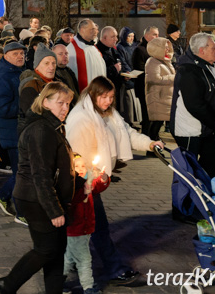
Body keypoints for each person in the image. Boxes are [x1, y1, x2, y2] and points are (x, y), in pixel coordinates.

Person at [65, 76, 162, 286]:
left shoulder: (107, 113)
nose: (108, 101)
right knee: (97, 226)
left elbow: (126, 132)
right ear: (93, 95)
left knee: (83, 226)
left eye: (111, 97)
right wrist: (88, 179)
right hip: (83, 182)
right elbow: (76, 154)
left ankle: (68, 263)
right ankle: (113, 268)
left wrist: (150, 143)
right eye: (104, 97)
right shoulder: (82, 118)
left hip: (95, 179)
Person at [0, 82, 74, 294]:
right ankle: (8, 284)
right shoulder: (41, 130)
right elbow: (40, 174)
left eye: (68, 103)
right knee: (46, 249)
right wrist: (54, 209)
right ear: (45, 102)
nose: (65, 108)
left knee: (56, 250)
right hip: (36, 200)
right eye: (60, 103)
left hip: (44, 198)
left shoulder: (52, 126)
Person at [170, 33, 215, 178]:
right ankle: (186, 201)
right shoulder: (188, 71)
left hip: (208, 128)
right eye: (214, 48)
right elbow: (195, 104)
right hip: (189, 131)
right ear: (201, 50)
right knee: (188, 174)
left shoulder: (211, 68)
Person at [0, 41, 28, 219]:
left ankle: (3, 195)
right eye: (15, 54)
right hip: (12, 134)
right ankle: (20, 212)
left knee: (23, 172)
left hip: (22, 132)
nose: (20, 56)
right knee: (22, 174)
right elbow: (1, 109)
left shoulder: (21, 73)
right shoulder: (3, 77)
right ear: (5, 56)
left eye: (22, 53)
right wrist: (26, 105)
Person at [64, 154, 109, 294]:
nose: (81, 168)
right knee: (84, 259)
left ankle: (55, 282)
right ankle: (88, 287)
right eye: (76, 166)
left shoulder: (87, 181)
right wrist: (85, 189)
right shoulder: (71, 185)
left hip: (85, 229)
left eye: (83, 165)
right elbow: (74, 199)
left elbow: (96, 186)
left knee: (69, 259)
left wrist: (103, 179)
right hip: (75, 229)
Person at [144, 37, 175, 143]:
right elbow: (154, 78)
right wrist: (172, 78)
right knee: (156, 124)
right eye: (165, 47)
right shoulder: (152, 62)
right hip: (157, 98)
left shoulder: (165, 61)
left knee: (158, 124)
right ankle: (151, 146)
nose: (167, 49)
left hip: (165, 98)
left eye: (168, 47)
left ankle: (154, 145)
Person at [66, 19, 106, 92]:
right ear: (82, 30)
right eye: (92, 29)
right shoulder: (72, 49)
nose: (95, 32)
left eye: (95, 29)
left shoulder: (93, 46)